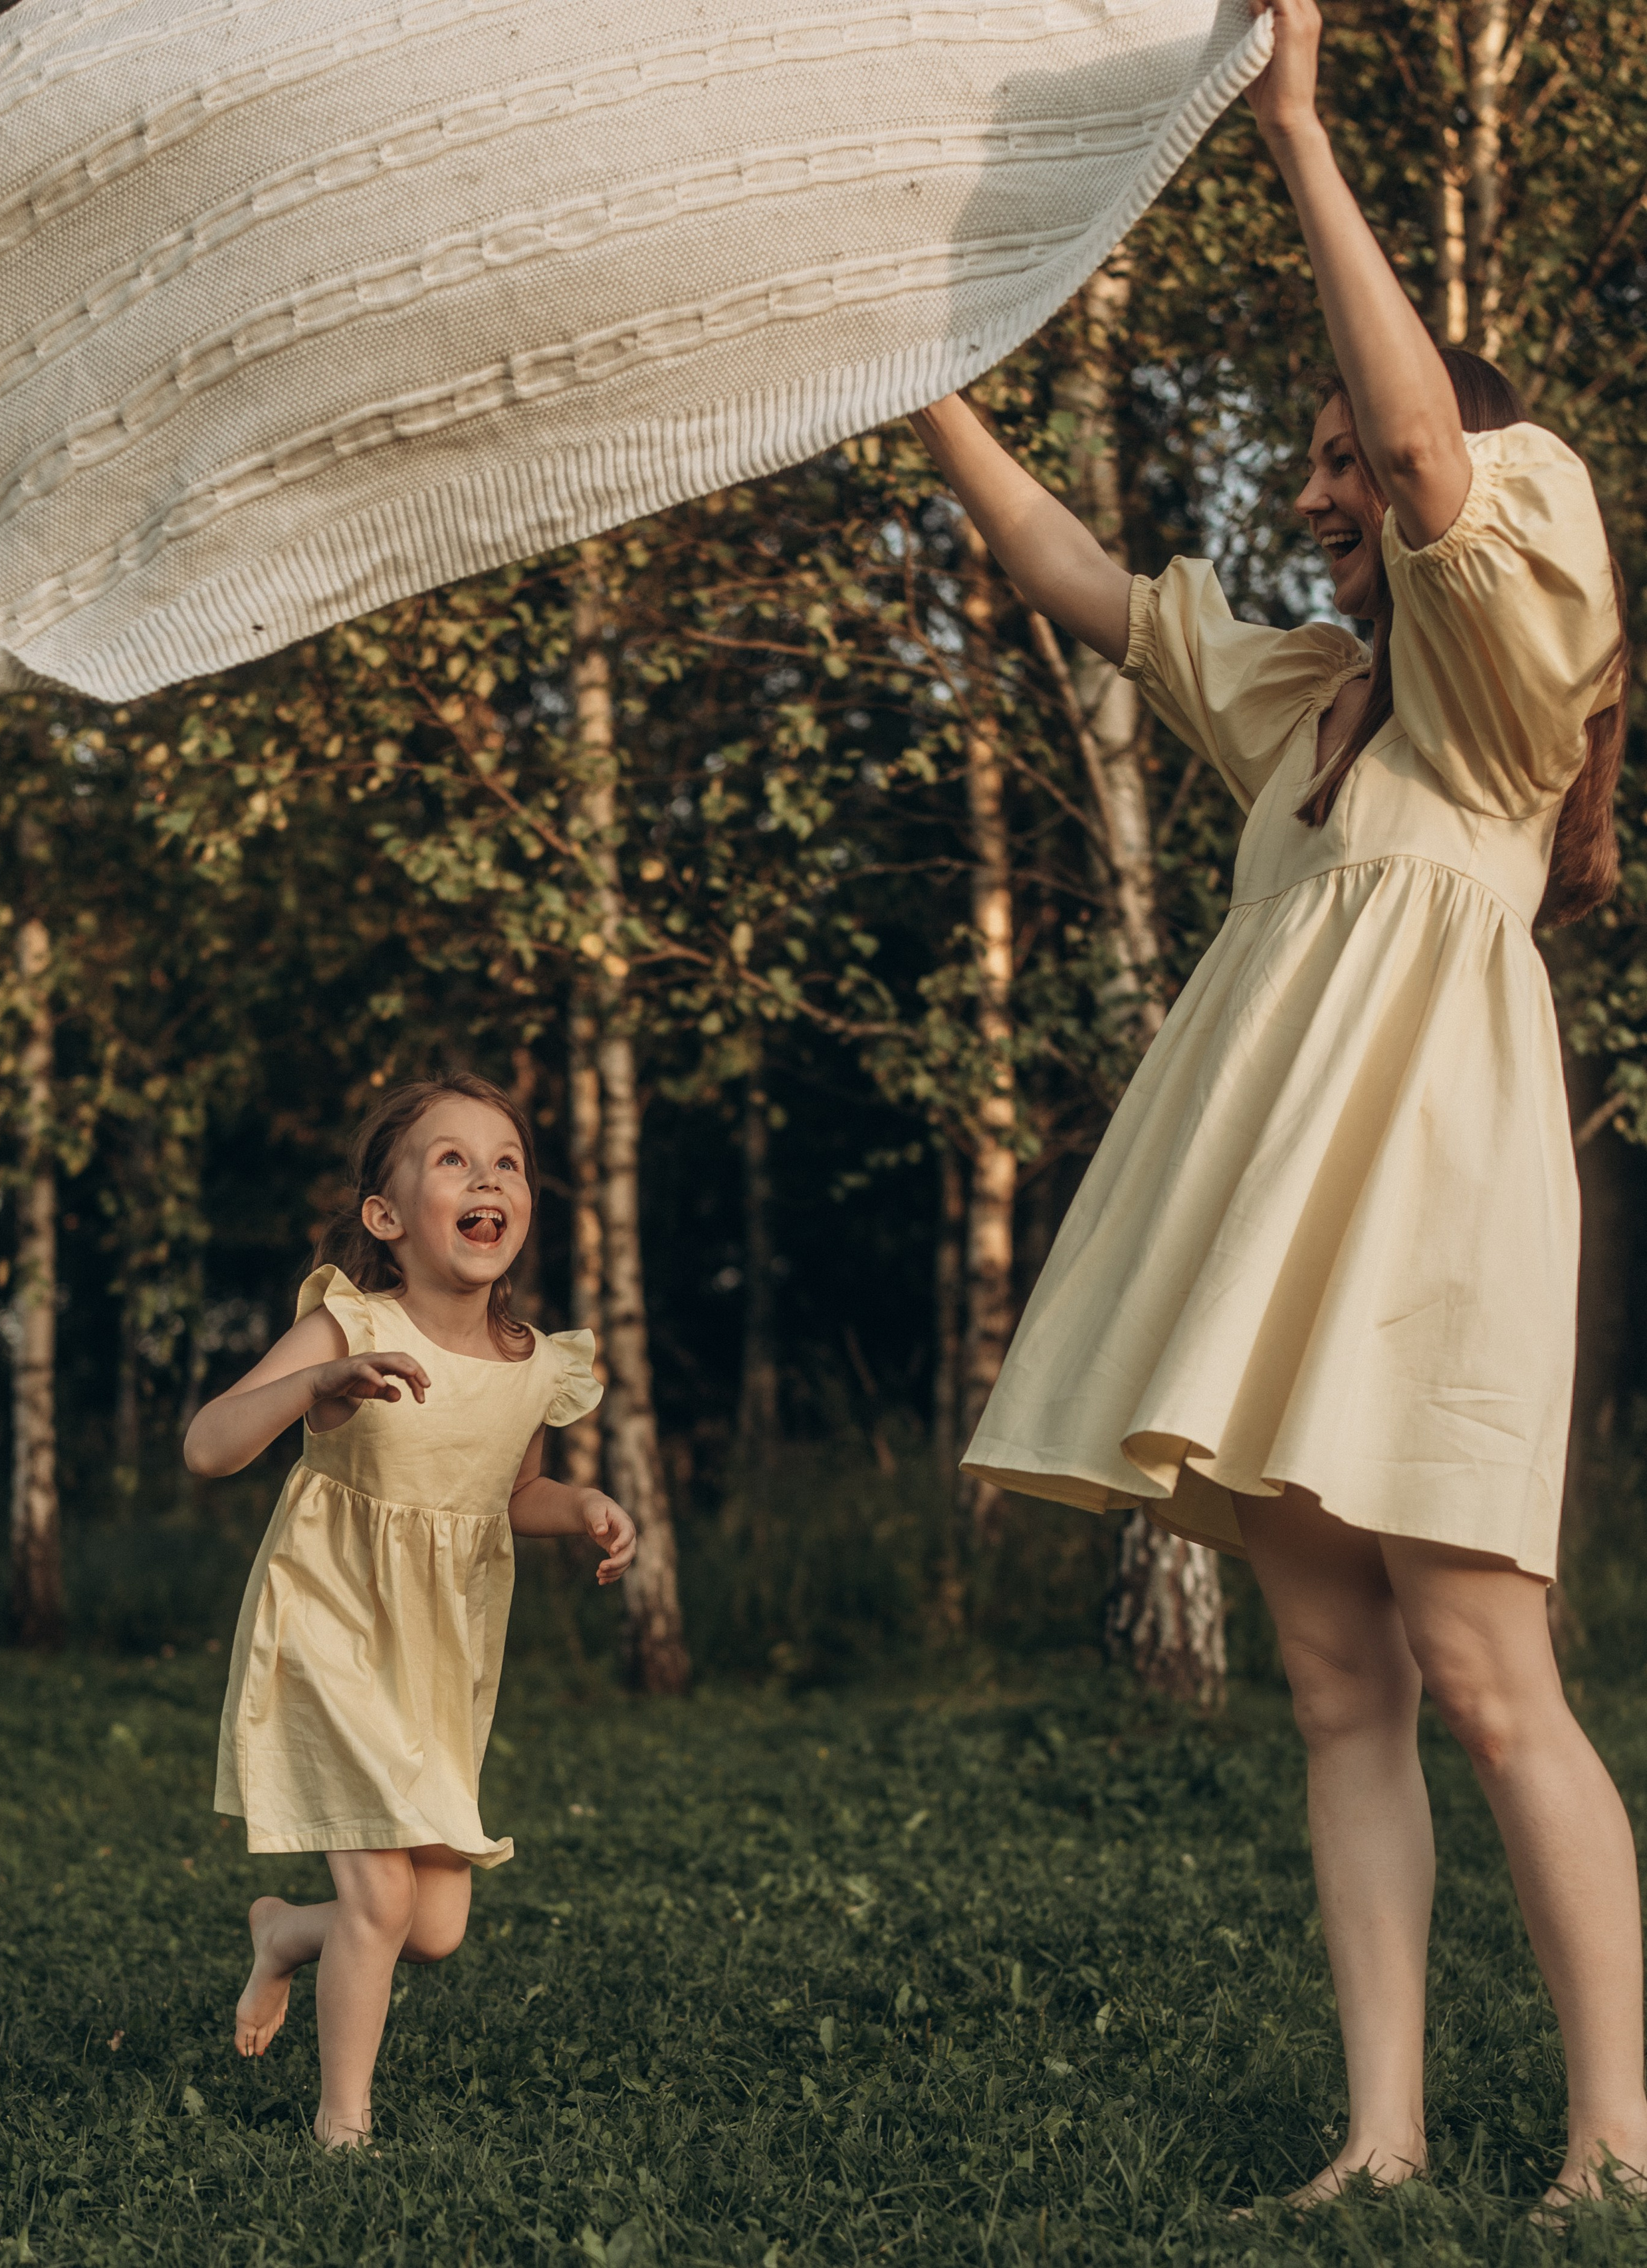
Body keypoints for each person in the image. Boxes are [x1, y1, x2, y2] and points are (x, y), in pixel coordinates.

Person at [910, 0, 1641, 2214]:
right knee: (1338, 1676)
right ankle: (1384, 2134)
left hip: (1443, 1203)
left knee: (1486, 1670)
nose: (1319, 489)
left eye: (1336, 459)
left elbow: (1432, 457)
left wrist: (1301, 131)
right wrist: (900, 380)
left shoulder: (1520, 672)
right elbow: (1070, 577)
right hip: (1297, 1199)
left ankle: (1621, 2141)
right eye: (1310, 465)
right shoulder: (1310, 703)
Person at [185, 1072, 635, 2149]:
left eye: (508, 1161)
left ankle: (289, 1932)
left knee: (432, 1927)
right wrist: (314, 1390)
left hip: (441, 1655)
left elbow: (510, 1493)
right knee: (385, 1902)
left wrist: (584, 1507)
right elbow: (208, 1444)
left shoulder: (536, 1365)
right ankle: (343, 2127)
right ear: (386, 1219)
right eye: (452, 1159)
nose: (488, 1176)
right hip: (331, 1625)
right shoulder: (353, 1319)